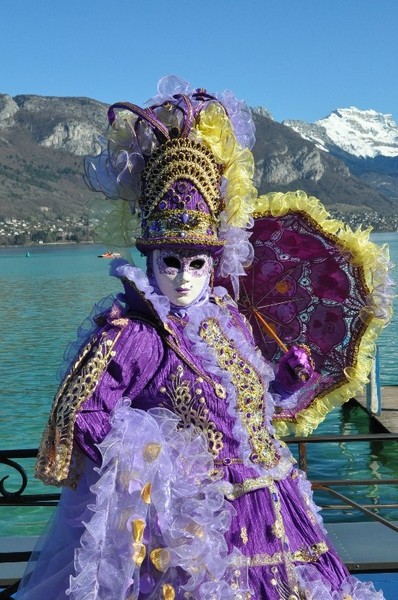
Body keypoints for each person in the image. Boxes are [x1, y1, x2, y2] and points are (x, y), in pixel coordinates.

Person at [17, 76, 385, 599]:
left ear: (215, 263)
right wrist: (160, 461)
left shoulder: (226, 322)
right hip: (194, 532)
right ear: (149, 259)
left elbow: (252, 410)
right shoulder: (136, 336)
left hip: (273, 505)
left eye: (197, 263)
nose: (185, 276)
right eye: (171, 262)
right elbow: (78, 419)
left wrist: (284, 378)